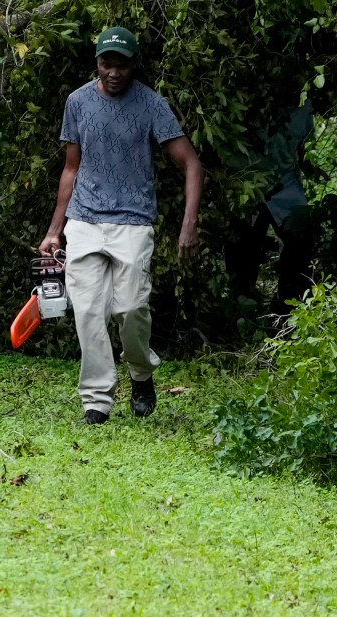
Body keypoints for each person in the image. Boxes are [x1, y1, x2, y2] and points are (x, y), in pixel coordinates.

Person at [37, 26, 202, 423]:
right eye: (106, 64)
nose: (113, 72)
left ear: (133, 65)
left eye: (121, 65)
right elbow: (70, 168)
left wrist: (188, 224)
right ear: (97, 63)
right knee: (89, 313)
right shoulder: (77, 101)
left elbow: (191, 162)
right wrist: (53, 229)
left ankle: (141, 373)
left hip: (133, 220)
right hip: (84, 220)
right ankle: (96, 402)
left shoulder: (150, 104)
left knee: (130, 309)